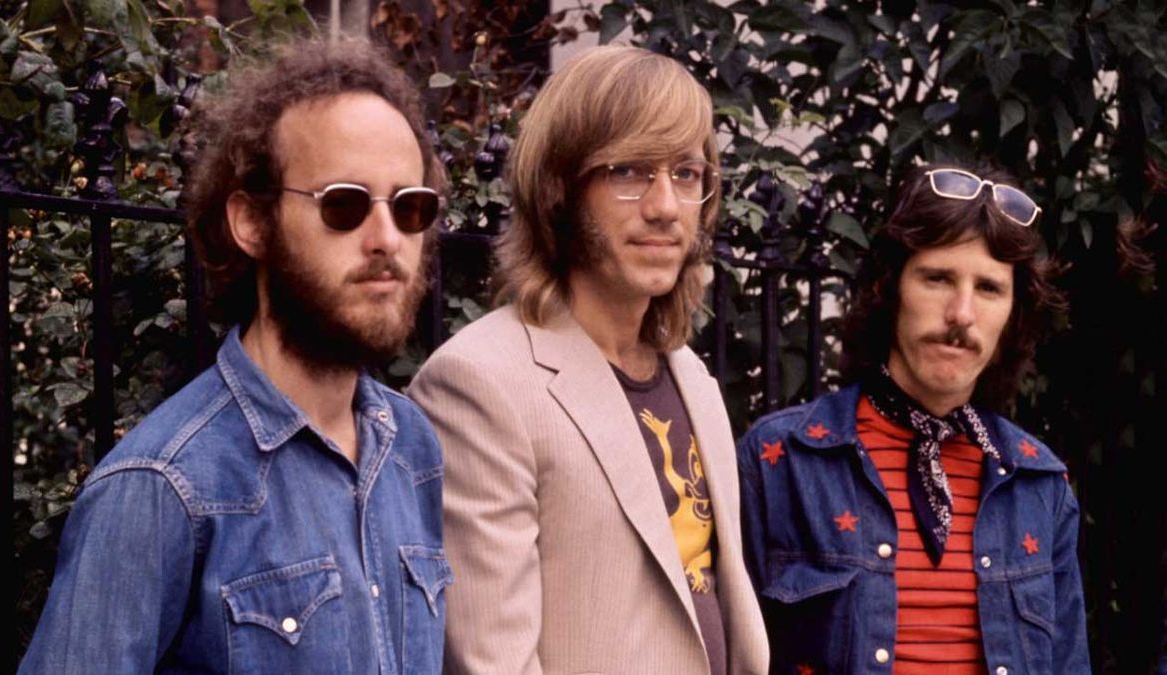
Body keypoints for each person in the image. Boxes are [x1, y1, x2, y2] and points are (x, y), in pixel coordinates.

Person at [19, 38, 451, 673]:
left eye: (410, 207)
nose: (387, 239)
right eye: (344, 204)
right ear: (252, 222)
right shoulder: (163, 488)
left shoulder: (409, 445)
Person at [408, 45, 770, 674]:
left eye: (685, 174)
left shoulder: (693, 380)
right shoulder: (480, 384)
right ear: (559, 190)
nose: (664, 207)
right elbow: (494, 664)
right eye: (630, 171)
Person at [738, 165, 1089, 674]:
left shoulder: (1040, 484)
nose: (961, 313)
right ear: (891, 288)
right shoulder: (782, 460)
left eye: (989, 288)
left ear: (1012, 315)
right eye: (938, 278)